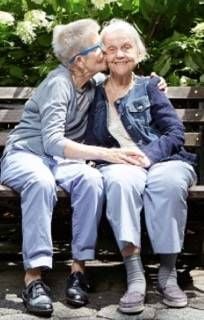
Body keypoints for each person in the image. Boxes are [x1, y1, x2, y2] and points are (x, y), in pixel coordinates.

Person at [0, 19, 147, 317]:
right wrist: (108, 154)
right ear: (80, 60)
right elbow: (53, 142)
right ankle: (34, 277)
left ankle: (78, 269)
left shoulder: (91, 82)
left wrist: (152, 80)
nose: (107, 53)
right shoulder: (58, 84)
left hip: (61, 161)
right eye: (100, 48)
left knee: (91, 179)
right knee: (41, 182)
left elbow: (126, 80)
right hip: (27, 155)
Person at [85, 19, 197, 314]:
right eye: (111, 49)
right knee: (121, 181)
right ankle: (135, 275)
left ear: (138, 51)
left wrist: (148, 157)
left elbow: (175, 133)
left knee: (169, 183)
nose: (120, 54)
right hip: (117, 164)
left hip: (164, 160)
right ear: (103, 55)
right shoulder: (92, 92)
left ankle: (168, 273)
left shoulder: (150, 86)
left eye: (126, 47)